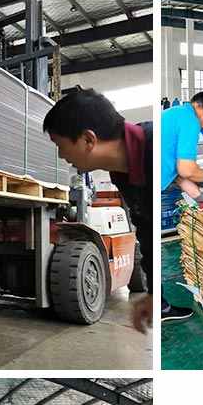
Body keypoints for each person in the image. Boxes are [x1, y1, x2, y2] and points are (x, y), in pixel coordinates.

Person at [42, 87, 157, 333]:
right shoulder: (121, 173)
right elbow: (147, 229)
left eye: (60, 145)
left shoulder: (155, 148)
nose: (61, 155)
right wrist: (154, 293)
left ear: (88, 140)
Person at [161, 90, 203, 203]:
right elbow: (187, 171)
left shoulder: (175, 113)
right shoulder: (191, 121)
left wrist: (198, 195)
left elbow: (176, 170)